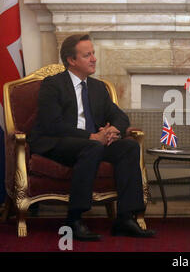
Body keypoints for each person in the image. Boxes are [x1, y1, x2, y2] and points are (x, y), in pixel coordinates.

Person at [29, 34, 156, 241]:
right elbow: (53, 125)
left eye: (93, 54)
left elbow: (120, 116)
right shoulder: (53, 84)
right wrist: (92, 136)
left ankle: (125, 218)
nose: (94, 59)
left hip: (92, 144)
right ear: (71, 60)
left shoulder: (97, 87)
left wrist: (113, 129)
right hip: (58, 143)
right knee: (93, 147)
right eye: (87, 55)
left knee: (129, 147)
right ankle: (74, 219)